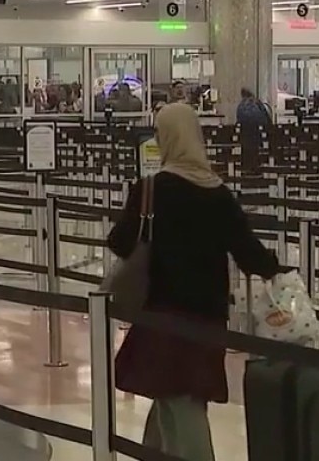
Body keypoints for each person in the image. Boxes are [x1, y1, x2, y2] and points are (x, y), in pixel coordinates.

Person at [107, 103, 280, 461]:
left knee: (180, 403)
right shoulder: (219, 194)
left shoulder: (151, 190)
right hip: (209, 316)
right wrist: (279, 271)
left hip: (162, 313)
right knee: (174, 397)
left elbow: (120, 242)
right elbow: (249, 253)